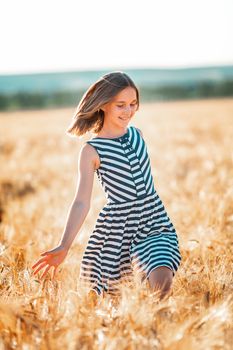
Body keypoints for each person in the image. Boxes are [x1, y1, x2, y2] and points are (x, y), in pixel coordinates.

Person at [31, 71, 182, 301]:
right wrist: (64, 245)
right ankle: (142, 333)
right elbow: (81, 201)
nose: (129, 111)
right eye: (120, 105)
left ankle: (160, 323)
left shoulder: (137, 135)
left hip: (154, 220)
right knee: (116, 300)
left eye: (133, 104)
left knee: (161, 279)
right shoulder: (92, 150)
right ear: (103, 105)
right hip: (118, 229)